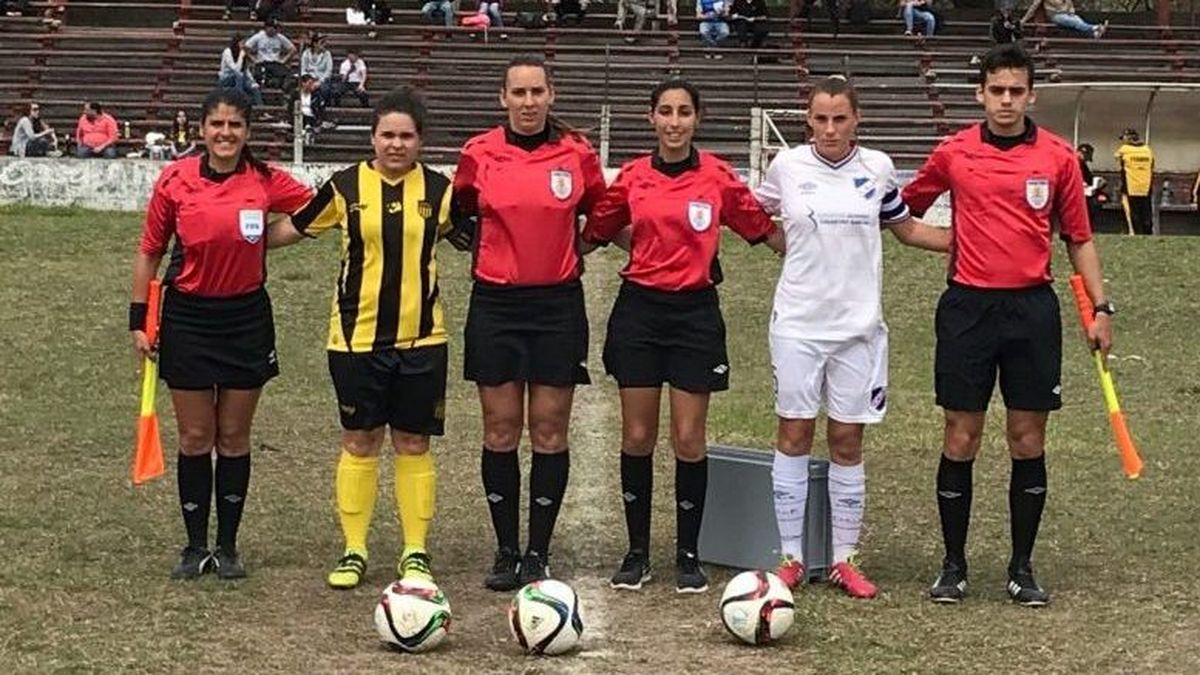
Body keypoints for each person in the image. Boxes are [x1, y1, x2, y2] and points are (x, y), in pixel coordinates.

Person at [901, 44, 1113, 607]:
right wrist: (949, 241)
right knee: (960, 435)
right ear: (980, 94)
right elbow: (901, 213)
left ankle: (1021, 567)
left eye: (1016, 91)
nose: (1006, 100)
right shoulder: (953, 153)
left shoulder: (1059, 158)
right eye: (997, 90)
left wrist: (1101, 309)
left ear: (1031, 95)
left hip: (1031, 311)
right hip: (968, 309)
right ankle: (953, 566)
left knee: (1026, 439)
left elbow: (1079, 239)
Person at [582, 79, 786, 594]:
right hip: (640, 315)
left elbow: (764, 231)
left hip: (695, 316)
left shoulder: (717, 176)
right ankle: (636, 553)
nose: (674, 122)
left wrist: (829, 245)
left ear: (698, 118)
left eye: (684, 112)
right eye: (665, 112)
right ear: (651, 118)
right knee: (637, 436)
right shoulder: (632, 176)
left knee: (689, 439)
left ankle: (688, 555)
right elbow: (595, 232)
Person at [266, 88, 472, 589]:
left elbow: (481, 242)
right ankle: (354, 549)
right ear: (372, 137)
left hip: (423, 339)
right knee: (360, 441)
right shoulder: (345, 187)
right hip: (356, 341)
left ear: (420, 140)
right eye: (387, 135)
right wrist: (230, 237)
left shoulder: (440, 192)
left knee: (413, 441)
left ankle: (415, 551)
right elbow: (290, 229)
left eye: (405, 136)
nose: (396, 145)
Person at [755, 75, 951, 600]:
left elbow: (906, 228)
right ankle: (791, 557)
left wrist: (974, 242)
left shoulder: (879, 168)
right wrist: (785, 246)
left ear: (856, 119)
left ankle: (845, 559)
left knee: (847, 440)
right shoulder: (787, 167)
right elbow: (756, 216)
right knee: (794, 433)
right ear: (808, 119)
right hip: (797, 324)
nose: (830, 129)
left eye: (840, 118)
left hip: (860, 331)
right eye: (820, 119)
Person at [130, 87, 313, 580]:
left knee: (233, 437)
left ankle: (228, 546)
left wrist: (265, 242)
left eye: (235, 125)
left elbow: (311, 211)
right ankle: (194, 547)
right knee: (195, 436)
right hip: (187, 318)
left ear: (247, 131)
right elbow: (149, 250)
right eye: (217, 125)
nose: (225, 133)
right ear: (203, 130)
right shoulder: (175, 180)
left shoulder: (264, 179)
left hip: (246, 319)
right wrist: (139, 319)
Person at [452, 55, 607, 591]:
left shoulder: (577, 154)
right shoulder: (478, 154)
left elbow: (601, 214)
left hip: (557, 308)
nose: (527, 102)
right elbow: (459, 214)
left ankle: (538, 551)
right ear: (503, 99)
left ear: (551, 94)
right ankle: (504, 549)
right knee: (499, 431)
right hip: (495, 306)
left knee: (547, 429)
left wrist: (573, 248)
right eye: (517, 93)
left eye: (536, 91)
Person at [1114, 128, 1154, 235]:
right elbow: (1152, 165)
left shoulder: (1124, 149)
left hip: (1130, 186)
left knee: (1132, 212)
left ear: (1128, 138)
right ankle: (1147, 232)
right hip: (1146, 186)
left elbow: (1116, 157)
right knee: (1146, 212)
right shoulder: (1147, 149)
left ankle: (1133, 232)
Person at [245, 18, 297, 94]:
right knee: (257, 74)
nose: (274, 30)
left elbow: (293, 49)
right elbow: (246, 47)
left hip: (275, 63)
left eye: (275, 28)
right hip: (262, 62)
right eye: (272, 28)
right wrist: (253, 59)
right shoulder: (259, 36)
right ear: (266, 27)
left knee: (287, 74)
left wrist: (284, 60)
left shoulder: (279, 37)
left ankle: (283, 90)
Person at [218, 34, 265, 107]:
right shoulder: (228, 52)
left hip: (241, 78)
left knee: (254, 88)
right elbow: (235, 69)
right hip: (226, 78)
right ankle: (240, 101)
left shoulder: (242, 53)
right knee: (239, 76)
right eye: (242, 43)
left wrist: (252, 82)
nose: (243, 45)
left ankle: (262, 109)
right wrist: (241, 56)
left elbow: (246, 70)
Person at [1021, 0, 1106, 39]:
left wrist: (1071, 11)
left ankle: (1094, 34)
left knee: (1077, 20)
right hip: (1055, 15)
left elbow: (1070, 4)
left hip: (1066, 13)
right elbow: (1033, 7)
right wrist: (1024, 20)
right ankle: (1095, 27)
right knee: (1075, 22)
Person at [1077, 143, 1105, 230]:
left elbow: (1089, 178)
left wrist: (1100, 184)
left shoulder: (1082, 165)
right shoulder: (1071, 162)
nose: (1085, 160)